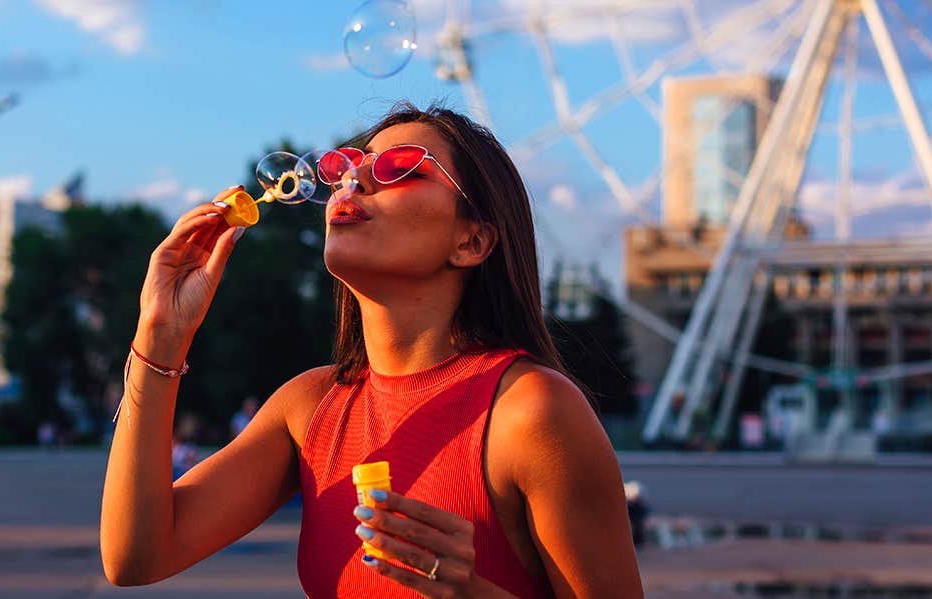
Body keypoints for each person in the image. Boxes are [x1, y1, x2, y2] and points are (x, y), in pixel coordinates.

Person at [101, 103, 644, 597]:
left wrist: (475, 593)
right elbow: (137, 556)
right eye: (345, 166)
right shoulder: (309, 407)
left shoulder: (531, 412)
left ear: (472, 241)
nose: (353, 178)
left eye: (399, 167)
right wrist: (160, 334)